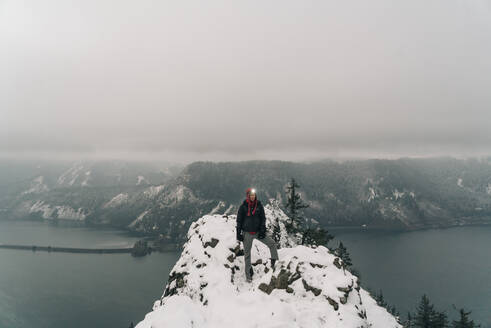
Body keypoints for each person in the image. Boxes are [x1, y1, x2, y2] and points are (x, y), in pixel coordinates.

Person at [236, 188, 279, 283]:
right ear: (248, 196)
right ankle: (248, 277)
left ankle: (274, 263)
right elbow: (239, 221)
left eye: (254, 195)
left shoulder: (259, 205)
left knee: (272, 244)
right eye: (251, 195)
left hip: (258, 232)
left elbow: (263, 218)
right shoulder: (243, 207)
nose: (252, 197)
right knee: (247, 255)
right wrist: (238, 233)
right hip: (247, 233)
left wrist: (262, 230)